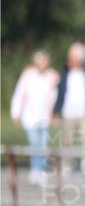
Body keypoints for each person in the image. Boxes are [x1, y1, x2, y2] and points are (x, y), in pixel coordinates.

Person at [53, 42, 85, 174]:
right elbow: (60, 93)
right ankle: (66, 166)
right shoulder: (65, 73)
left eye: (74, 57)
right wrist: (56, 111)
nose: (71, 59)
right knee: (66, 141)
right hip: (68, 113)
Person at [10, 50, 58, 184]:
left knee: (43, 144)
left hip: (44, 116)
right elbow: (19, 94)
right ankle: (35, 169)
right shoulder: (28, 75)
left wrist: (55, 114)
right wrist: (16, 113)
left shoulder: (51, 76)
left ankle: (41, 170)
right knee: (34, 143)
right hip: (30, 116)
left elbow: (54, 96)